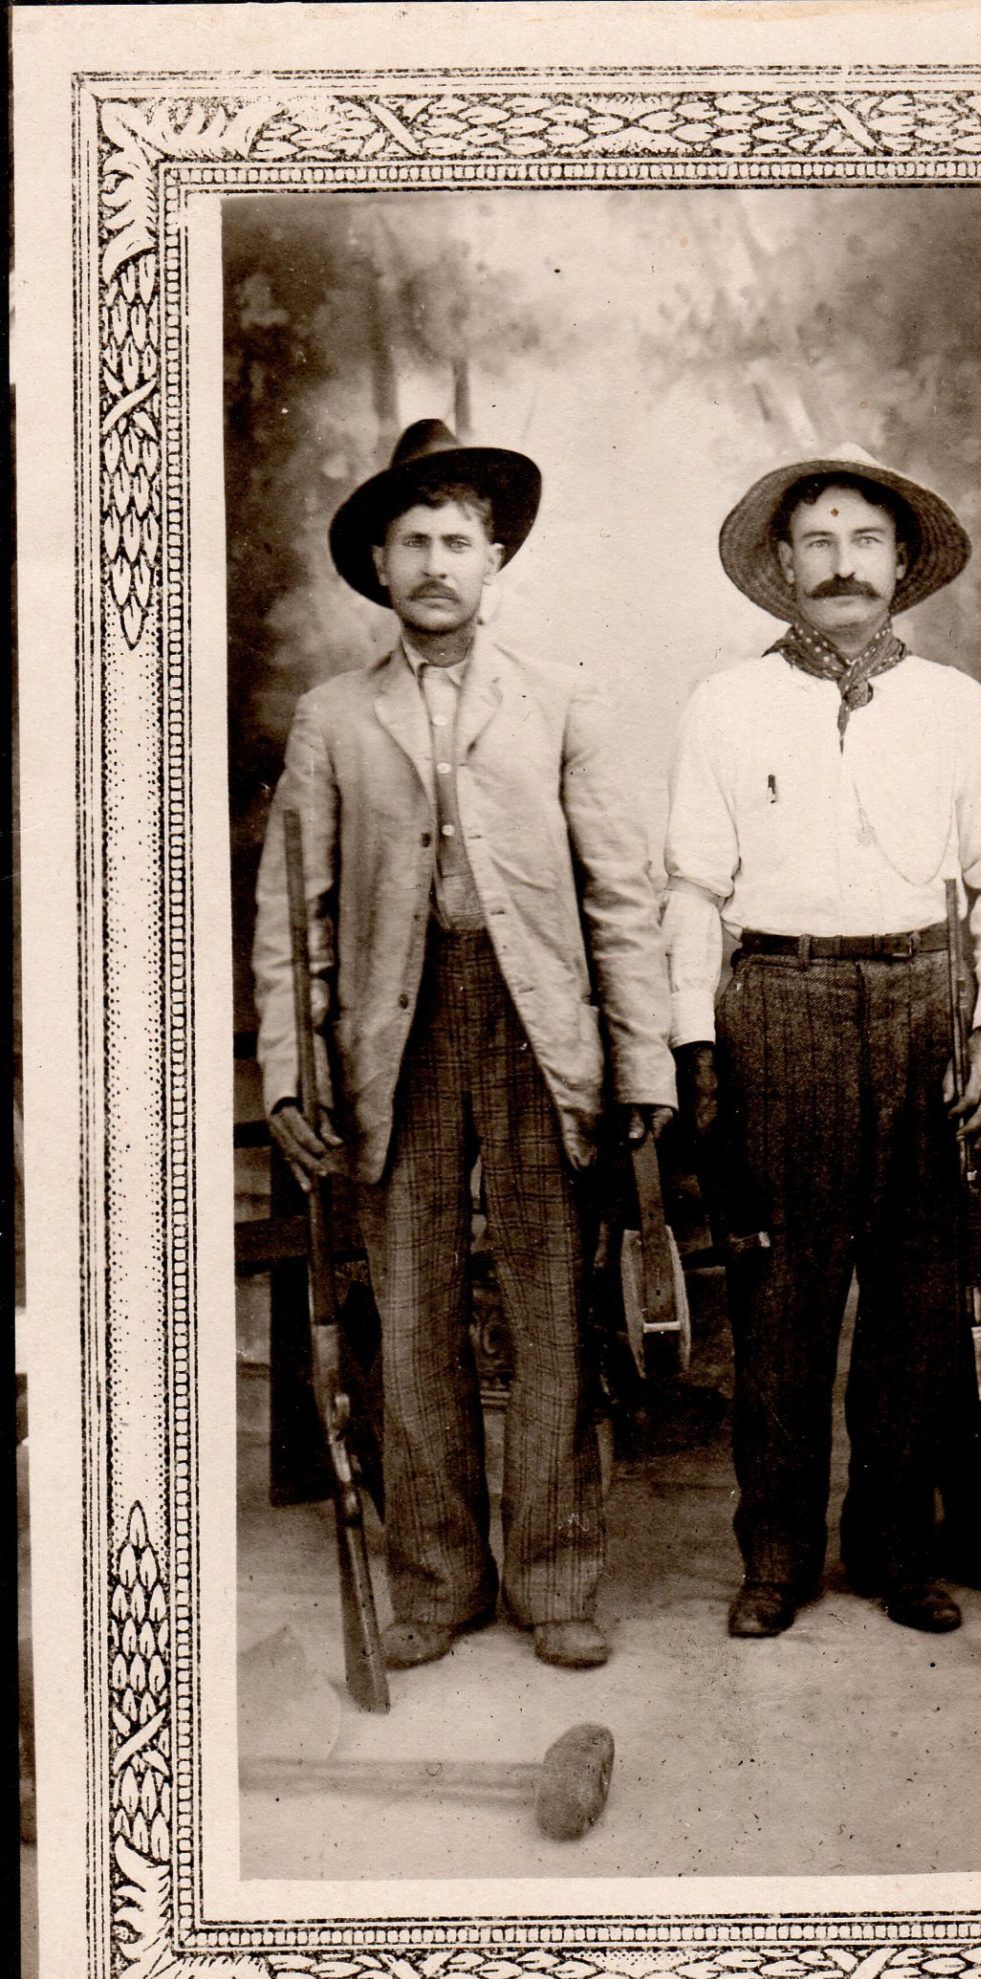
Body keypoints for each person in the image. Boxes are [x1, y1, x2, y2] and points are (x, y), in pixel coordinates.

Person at [254, 419, 675, 1671]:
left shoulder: (560, 698)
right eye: (412, 542)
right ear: (378, 567)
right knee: (414, 1304)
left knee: (551, 1301)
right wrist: (289, 1068)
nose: (435, 561)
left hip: (539, 1024)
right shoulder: (332, 718)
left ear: (495, 560)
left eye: (457, 539)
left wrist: (639, 1059)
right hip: (395, 1032)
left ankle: (556, 1577)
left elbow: (619, 894)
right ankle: (436, 1580)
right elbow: (293, 915)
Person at [663, 442, 981, 1640]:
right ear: (782, 565)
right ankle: (773, 1556)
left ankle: (893, 1548)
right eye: (816, 542)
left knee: (920, 1299)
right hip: (779, 1002)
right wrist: (695, 1044)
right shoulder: (723, 706)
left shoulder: (953, 707)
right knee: (779, 1303)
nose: (840, 565)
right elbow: (686, 891)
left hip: (925, 1003)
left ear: (898, 564)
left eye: (862, 541)